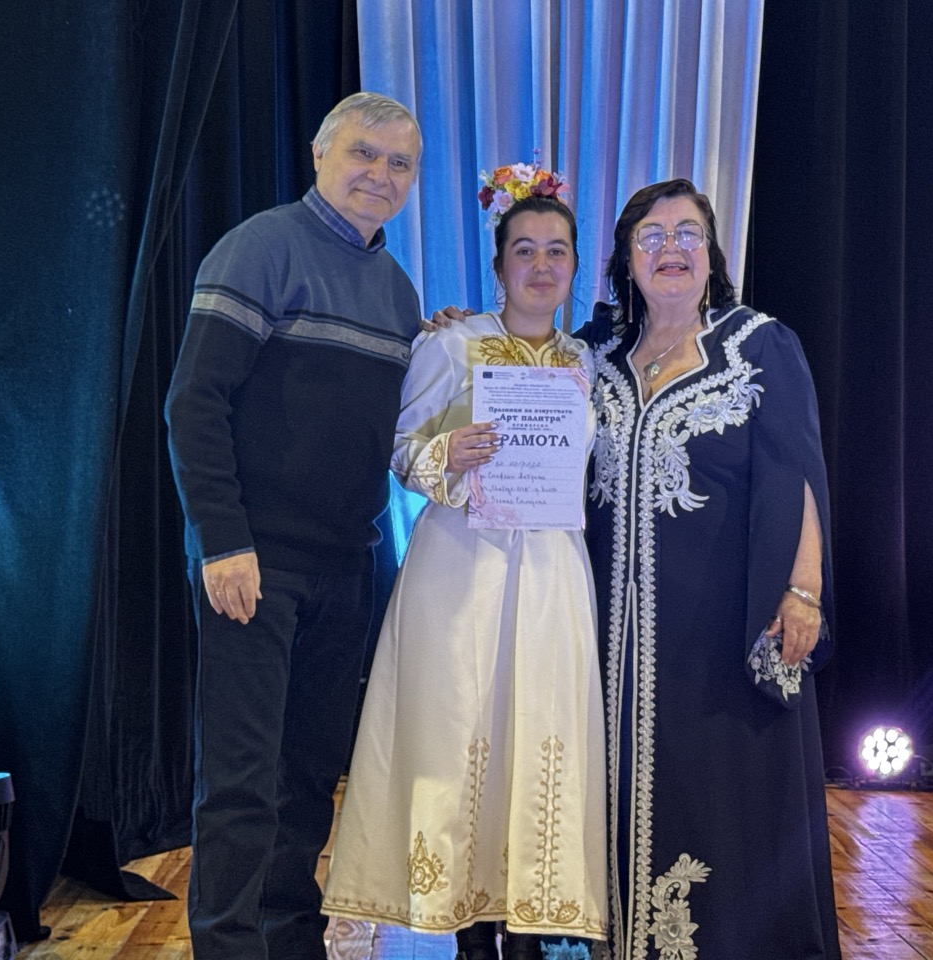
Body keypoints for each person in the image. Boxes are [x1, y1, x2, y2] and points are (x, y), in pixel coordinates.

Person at [321, 169, 608, 960]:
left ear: (575, 265)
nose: (541, 265)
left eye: (557, 251)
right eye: (525, 250)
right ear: (499, 264)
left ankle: (531, 925)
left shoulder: (590, 363)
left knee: (540, 735)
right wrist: (449, 453)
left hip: (552, 576)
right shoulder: (451, 344)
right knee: (461, 735)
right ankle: (469, 930)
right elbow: (398, 447)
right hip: (462, 573)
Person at [163, 92, 423, 960]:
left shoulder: (398, 291)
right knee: (241, 780)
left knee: (310, 774)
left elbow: (391, 429)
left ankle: (288, 937)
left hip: (348, 565)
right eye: (364, 153)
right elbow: (194, 404)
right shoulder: (261, 247)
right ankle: (229, 948)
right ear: (320, 154)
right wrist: (223, 541)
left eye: (399, 163)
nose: (380, 174)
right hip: (255, 561)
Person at [579, 178, 841, 959]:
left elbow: (798, 472)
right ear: (627, 259)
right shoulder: (595, 355)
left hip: (726, 622)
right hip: (611, 635)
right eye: (652, 236)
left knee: (727, 791)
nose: (672, 249)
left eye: (688, 233)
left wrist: (802, 591)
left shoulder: (758, 344)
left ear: (712, 252)